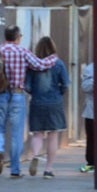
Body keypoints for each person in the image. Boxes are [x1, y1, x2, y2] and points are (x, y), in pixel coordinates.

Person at [0, 26, 58, 179]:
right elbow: (39, 65)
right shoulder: (22, 51)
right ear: (18, 37)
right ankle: (15, 170)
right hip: (17, 95)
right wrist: (53, 58)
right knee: (16, 134)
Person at [25, 36, 69, 179]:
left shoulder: (33, 66)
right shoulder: (59, 64)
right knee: (52, 135)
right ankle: (48, 169)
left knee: (37, 134)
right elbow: (66, 84)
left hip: (37, 103)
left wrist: (35, 94)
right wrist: (58, 94)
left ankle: (36, 155)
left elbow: (27, 86)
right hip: (54, 103)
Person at [80, 62, 95, 173]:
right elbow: (85, 87)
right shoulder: (91, 68)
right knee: (91, 137)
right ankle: (91, 163)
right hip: (92, 111)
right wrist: (96, 80)